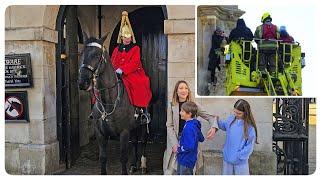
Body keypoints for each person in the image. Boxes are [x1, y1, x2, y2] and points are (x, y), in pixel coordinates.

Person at [163, 80, 219, 175]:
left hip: (189, 141)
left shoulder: (194, 105)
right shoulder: (172, 105)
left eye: (186, 88)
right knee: (171, 171)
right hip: (175, 140)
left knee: (187, 169)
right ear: (176, 91)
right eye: (181, 88)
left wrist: (214, 128)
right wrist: (175, 144)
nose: (183, 90)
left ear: (188, 91)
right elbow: (169, 125)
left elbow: (210, 117)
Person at [111, 11, 152, 121]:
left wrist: (123, 70)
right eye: (125, 37)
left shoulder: (135, 48)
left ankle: (143, 110)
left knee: (141, 83)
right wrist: (115, 70)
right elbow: (112, 62)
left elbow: (134, 63)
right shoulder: (116, 49)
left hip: (132, 73)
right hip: (117, 73)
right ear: (122, 37)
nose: (127, 39)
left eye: (129, 37)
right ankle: (98, 110)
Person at [217, 99, 258, 175]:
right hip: (227, 158)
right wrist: (216, 121)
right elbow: (224, 125)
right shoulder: (231, 118)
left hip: (240, 162)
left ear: (246, 113)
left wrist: (239, 156)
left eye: (239, 113)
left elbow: (249, 146)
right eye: (235, 112)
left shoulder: (250, 127)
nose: (236, 114)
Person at [172, 101, 204, 175]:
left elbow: (189, 147)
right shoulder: (194, 124)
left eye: (182, 111)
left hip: (185, 160)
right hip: (189, 159)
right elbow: (201, 138)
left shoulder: (189, 128)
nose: (180, 113)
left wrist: (178, 149)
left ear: (189, 114)